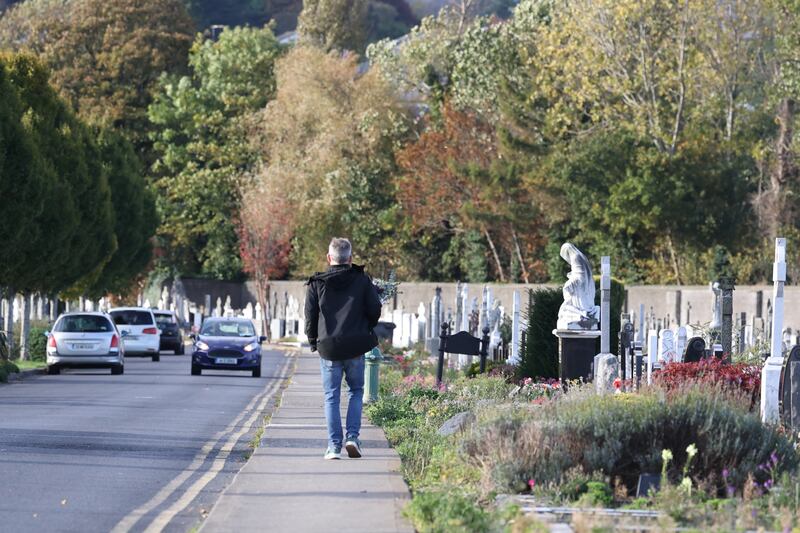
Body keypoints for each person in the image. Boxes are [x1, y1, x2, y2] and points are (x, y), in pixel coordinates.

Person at [305, 237, 382, 460]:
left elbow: (310, 316)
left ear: (329, 258)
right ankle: (352, 437)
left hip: (329, 346)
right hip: (356, 345)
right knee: (356, 391)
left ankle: (333, 446)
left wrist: (313, 342)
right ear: (350, 258)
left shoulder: (316, 283)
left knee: (331, 396)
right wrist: (366, 326)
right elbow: (374, 310)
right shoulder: (362, 280)